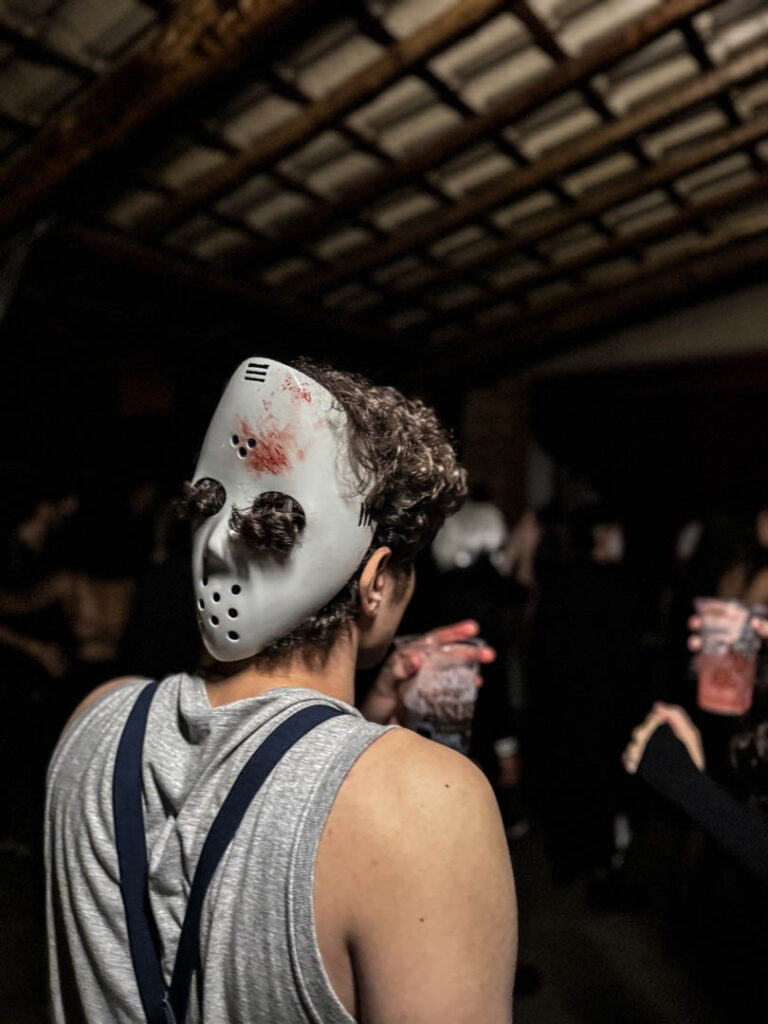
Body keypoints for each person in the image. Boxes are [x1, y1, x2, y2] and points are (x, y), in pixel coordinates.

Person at [45, 358, 517, 1024]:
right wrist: (385, 766)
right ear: (377, 580)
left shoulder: (94, 720)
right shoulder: (427, 807)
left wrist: (360, 730)